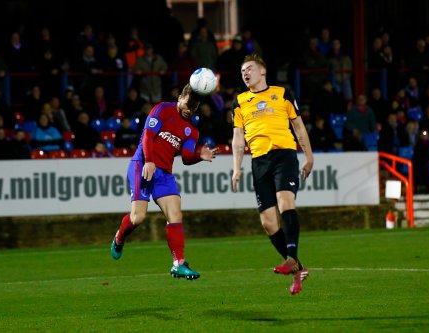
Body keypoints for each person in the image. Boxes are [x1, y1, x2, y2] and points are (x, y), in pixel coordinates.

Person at [110, 83, 218, 280]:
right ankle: (119, 237)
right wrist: (149, 161)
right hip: (142, 165)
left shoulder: (192, 131)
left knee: (175, 214)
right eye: (187, 104)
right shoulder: (162, 109)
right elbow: (148, 137)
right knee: (138, 218)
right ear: (180, 98)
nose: (189, 110)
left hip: (164, 174)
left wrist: (199, 156)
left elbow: (186, 157)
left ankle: (179, 263)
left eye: (193, 108)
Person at [231, 54, 314, 295]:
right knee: (268, 223)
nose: (245, 73)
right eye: (242, 71)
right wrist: (237, 167)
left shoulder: (283, 93)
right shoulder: (239, 102)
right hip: (259, 162)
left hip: (284, 155)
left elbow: (298, 127)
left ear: (262, 72)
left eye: (249, 69)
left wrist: (309, 157)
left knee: (285, 201)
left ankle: (291, 259)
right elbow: (238, 138)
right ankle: (298, 268)